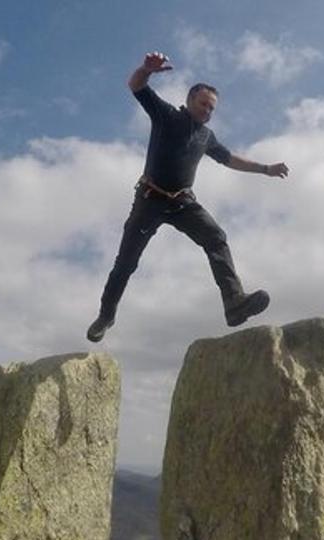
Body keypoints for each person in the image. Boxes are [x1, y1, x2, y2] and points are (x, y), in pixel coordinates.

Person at [87, 51, 290, 342]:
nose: (207, 111)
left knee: (216, 237)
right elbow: (136, 87)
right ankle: (106, 315)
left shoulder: (206, 136)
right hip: (150, 198)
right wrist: (146, 69)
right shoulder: (167, 116)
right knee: (126, 263)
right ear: (190, 100)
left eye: (212, 109)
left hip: (183, 202)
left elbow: (230, 159)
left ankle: (234, 303)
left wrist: (266, 169)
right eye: (203, 104)